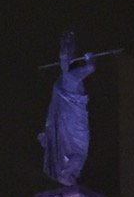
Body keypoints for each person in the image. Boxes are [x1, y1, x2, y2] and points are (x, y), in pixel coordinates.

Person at [39, 32, 95, 185]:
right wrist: (90, 58)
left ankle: (66, 172)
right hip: (75, 120)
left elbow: (67, 62)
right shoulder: (71, 76)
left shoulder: (62, 81)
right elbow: (90, 67)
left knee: (75, 152)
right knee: (79, 152)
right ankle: (67, 173)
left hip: (68, 119)